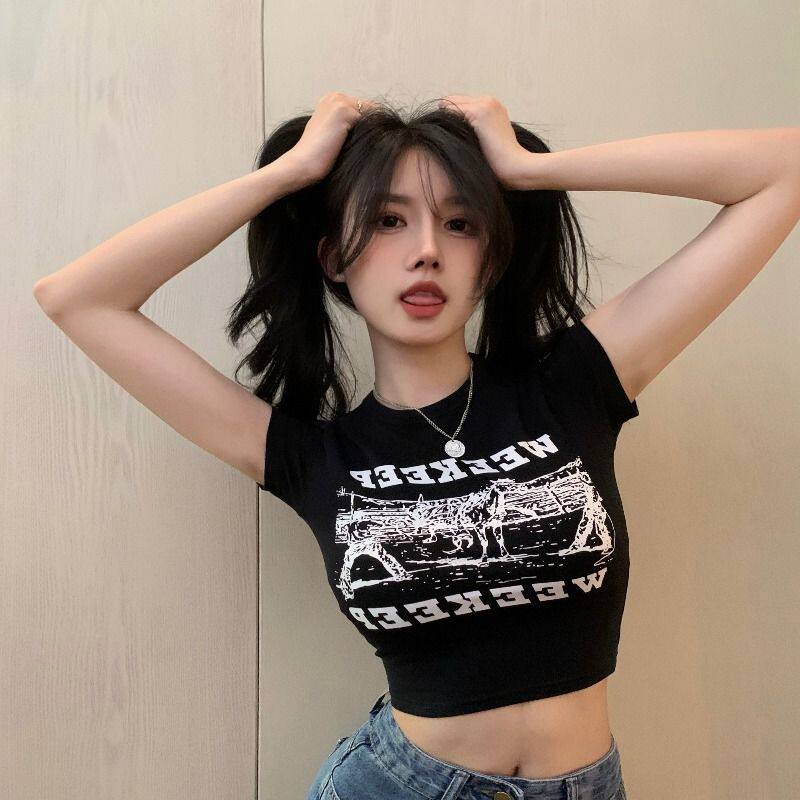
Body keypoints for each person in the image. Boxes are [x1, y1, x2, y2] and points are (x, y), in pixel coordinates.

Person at [34, 91, 800, 800]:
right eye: (388, 220)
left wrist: (529, 170)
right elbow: (80, 297)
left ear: (490, 257)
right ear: (334, 257)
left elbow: (782, 169)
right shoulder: (312, 456)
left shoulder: (572, 386)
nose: (427, 250)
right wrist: (291, 174)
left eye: (460, 223)